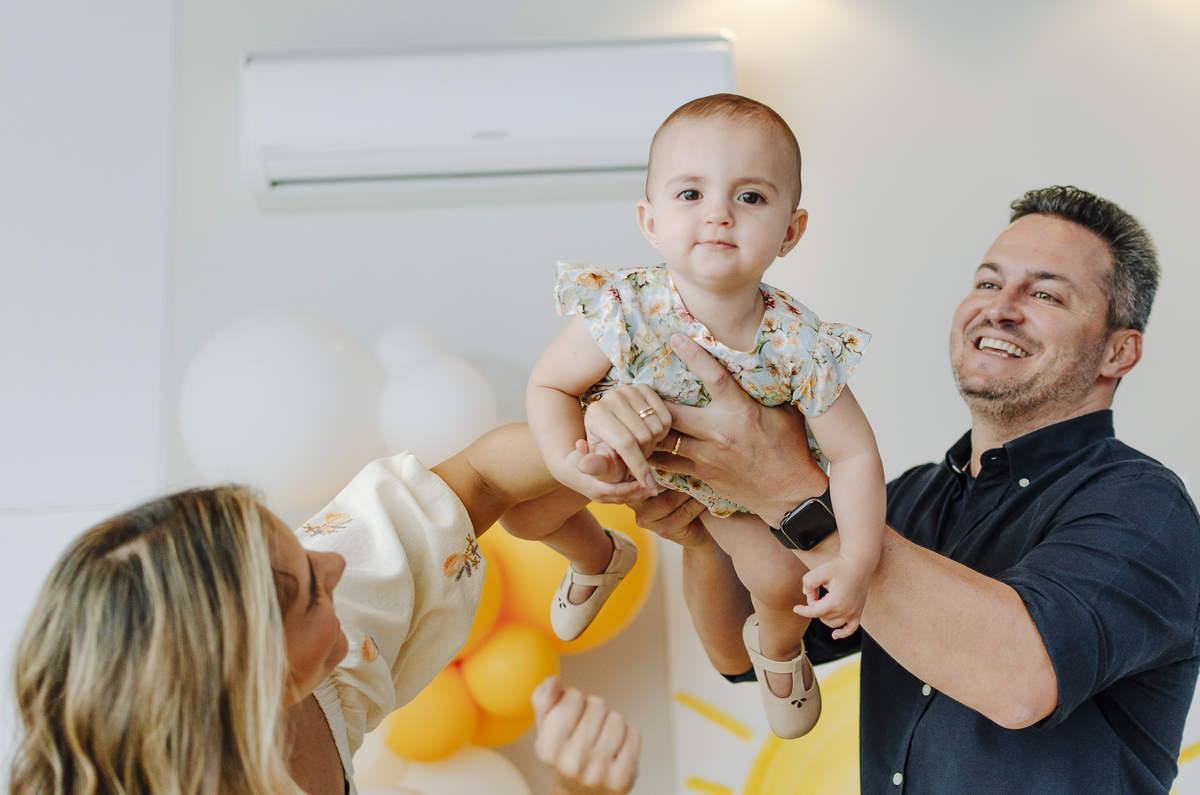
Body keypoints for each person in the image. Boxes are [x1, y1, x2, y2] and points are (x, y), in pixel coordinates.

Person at [625, 185, 1200, 792]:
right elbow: (741, 653)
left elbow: (1019, 680)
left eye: (1045, 293)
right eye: (986, 282)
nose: (999, 308)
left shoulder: (1145, 508)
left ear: (1119, 351)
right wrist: (707, 526)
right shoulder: (911, 499)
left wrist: (788, 492)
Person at [517, 93, 886, 740]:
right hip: (627, 453)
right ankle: (596, 554)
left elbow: (854, 454)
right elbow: (549, 385)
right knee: (524, 506)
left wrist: (856, 560)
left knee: (780, 578)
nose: (718, 213)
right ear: (650, 220)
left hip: (733, 495)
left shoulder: (797, 342)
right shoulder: (624, 305)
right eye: (690, 194)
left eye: (750, 197)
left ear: (790, 231)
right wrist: (567, 462)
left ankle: (777, 648)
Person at [11, 423, 642, 795]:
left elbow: (479, 479)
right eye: (312, 589)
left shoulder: (303, 668)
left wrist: (615, 432)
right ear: (255, 688)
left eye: (302, 547)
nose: (334, 564)